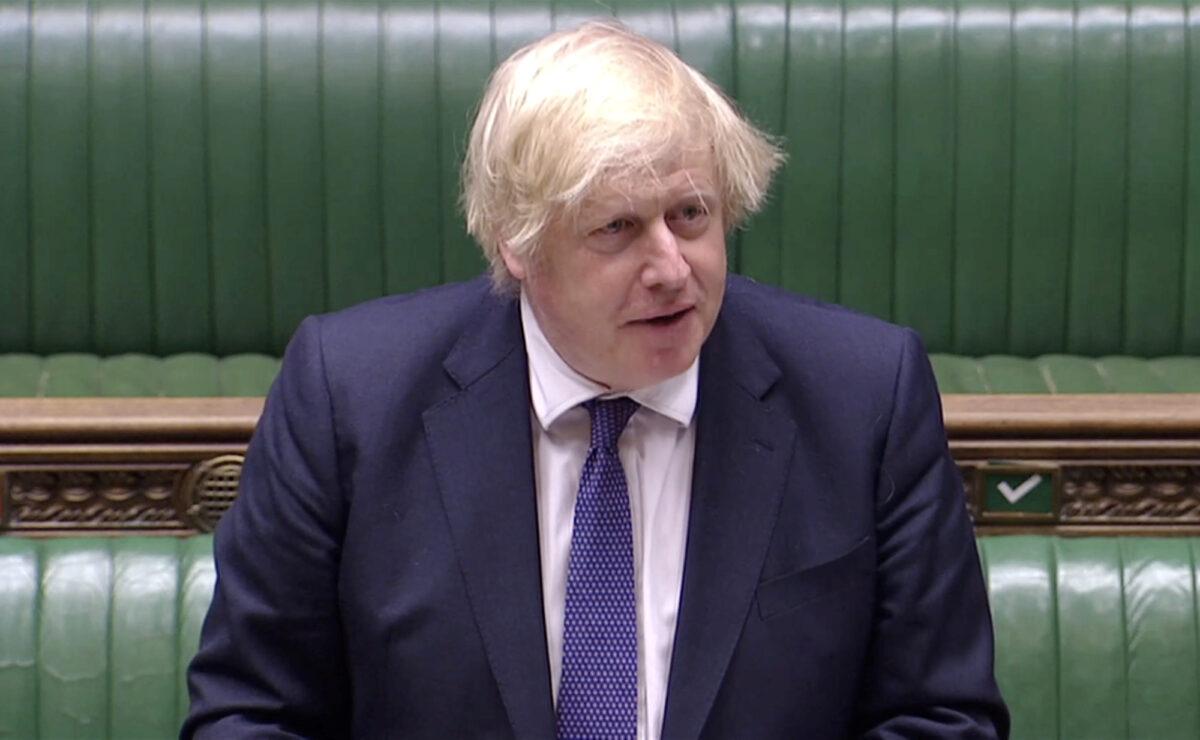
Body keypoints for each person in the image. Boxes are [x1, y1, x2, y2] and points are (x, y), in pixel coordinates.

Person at [183, 20, 1008, 739]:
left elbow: (942, 716)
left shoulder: (864, 395)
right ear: (518, 244)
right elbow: (251, 712)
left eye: (691, 216)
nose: (671, 269)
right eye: (617, 229)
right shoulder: (348, 396)